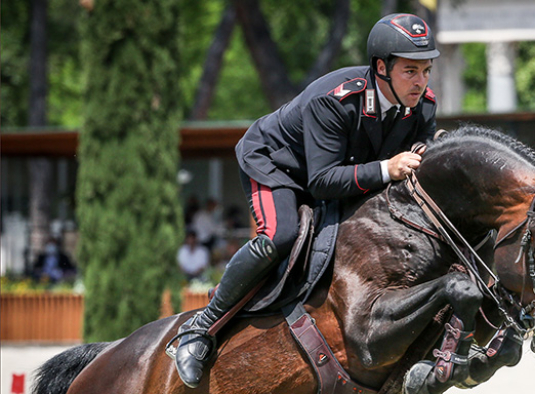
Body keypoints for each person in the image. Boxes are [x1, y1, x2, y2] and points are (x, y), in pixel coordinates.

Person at [172, 13, 440, 388]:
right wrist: (387, 168)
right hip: (274, 164)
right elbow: (322, 180)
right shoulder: (336, 100)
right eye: (411, 71)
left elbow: (418, 148)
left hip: (335, 172)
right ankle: (200, 329)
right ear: (381, 67)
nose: (421, 82)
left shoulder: (423, 104)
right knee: (281, 236)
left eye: (426, 70)